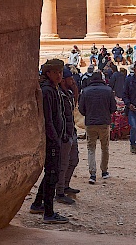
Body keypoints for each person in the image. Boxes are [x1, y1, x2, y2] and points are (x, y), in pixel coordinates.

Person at [30, 59, 70, 224]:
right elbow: (48, 119)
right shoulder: (47, 91)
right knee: (52, 174)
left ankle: (38, 204)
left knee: (51, 174)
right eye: (56, 72)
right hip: (51, 139)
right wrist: (54, 139)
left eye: (60, 72)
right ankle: (49, 212)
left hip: (55, 138)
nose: (59, 75)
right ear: (48, 73)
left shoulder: (54, 89)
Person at [78, 70, 116, 184]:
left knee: (91, 148)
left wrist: (89, 114)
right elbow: (113, 108)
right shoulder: (108, 91)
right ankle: (104, 171)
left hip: (90, 123)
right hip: (104, 122)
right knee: (105, 147)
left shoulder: (85, 91)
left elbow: (81, 109)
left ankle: (92, 174)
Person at [56, 68, 80, 205]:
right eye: (70, 79)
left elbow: (74, 108)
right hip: (64, 134)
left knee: (73, 160)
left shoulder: (69, 94)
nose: (73, 81)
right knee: (63, 163)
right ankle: (59, 192)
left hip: (71, 132)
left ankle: (65, 185)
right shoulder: (58, 95)